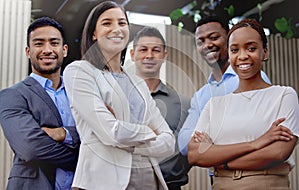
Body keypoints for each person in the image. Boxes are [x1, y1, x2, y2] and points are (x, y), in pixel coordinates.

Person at [63, 1, 175, 190]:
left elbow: (169, 142)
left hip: (148, 179)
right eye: (107, 23)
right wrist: (148, 131)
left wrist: (130, 142)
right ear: (94, 33)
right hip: (102, 182)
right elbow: (112, 133)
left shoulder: (138, 82)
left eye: (122, 23)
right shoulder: (79, 71)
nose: (116, 29)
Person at [188, 18, 299, 189]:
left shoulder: (283, 95)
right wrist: (256, 143)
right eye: (234, 50)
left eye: (251, 48)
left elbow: (277, 152)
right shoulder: (214, 104)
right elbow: (195, 155)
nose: (242, 56)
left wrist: (220, 159)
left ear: (265, 52)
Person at [0, 17, 80, 190]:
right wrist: (83, 158)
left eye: (54, 43)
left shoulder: (80, 94)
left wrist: (63, 133)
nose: (47, 50)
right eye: (39, 44)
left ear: (64, 50)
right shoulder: (12, 95)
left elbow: (99, 136)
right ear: (28, 51)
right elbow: (30, 148)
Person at [178, 16, 271, 156]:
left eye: (214, 37)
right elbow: (184, 144)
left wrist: (209, 143)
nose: (207, 45)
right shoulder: (201, 95)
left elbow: (261, 133)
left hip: (251, 172)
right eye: (200, 41)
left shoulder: (255, 78)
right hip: (216, 177)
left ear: (229, 39)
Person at [130, 26, 191, 190]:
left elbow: (187, 150)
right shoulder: (118, 100)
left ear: (165, 55)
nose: (149, 55)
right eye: (143, 49)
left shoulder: (184, 104)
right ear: (132, 54)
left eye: (156, 50)